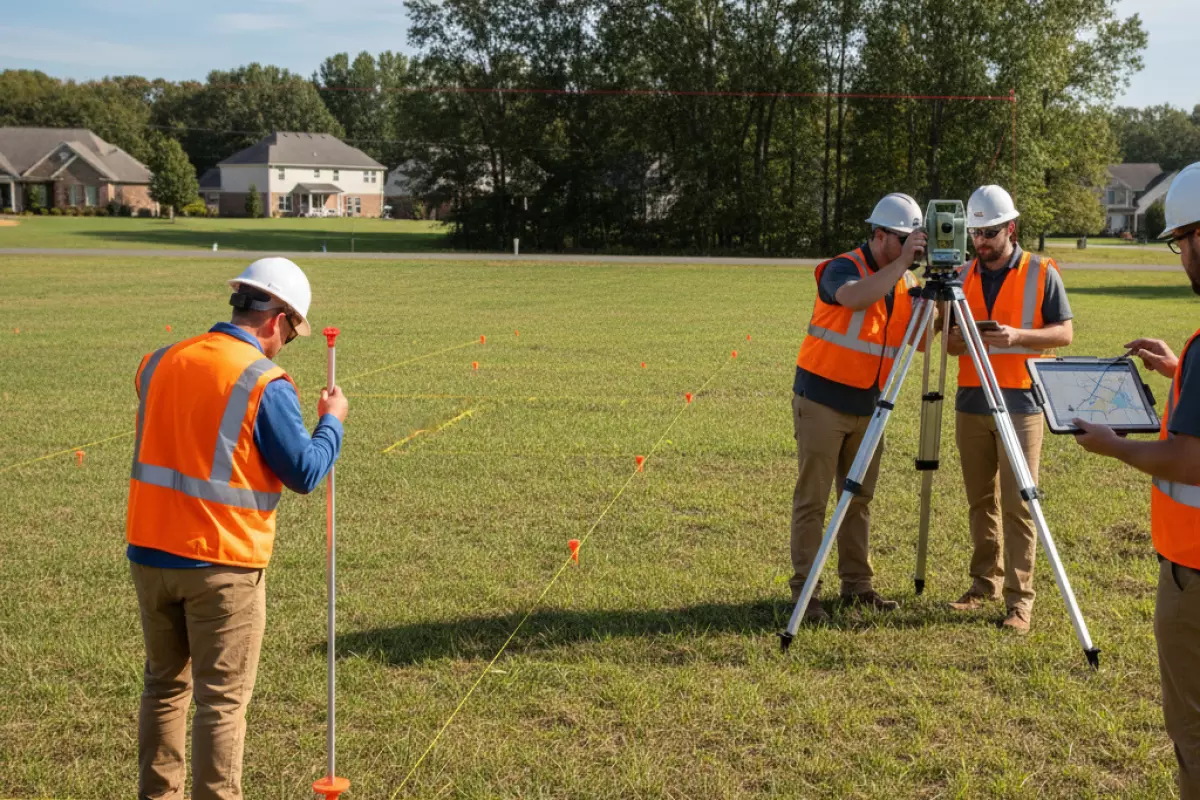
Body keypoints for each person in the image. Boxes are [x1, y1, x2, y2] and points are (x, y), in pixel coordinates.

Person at [125, 257, 349, 800]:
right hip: (222, 563)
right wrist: (332, 422)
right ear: (278, 319)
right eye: (291, 334)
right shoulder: (262, 380)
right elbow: (304, 472)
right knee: (221, 702)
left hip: (149, 552)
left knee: (163, 688)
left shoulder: (159, 361)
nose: (285, 345)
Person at [1074, 161, 1200, 799]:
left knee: (1194, 734)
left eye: (1181, 243)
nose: (1183, 259)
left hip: (1195, 577)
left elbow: (1190, 461)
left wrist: (1115, 447)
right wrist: (1179, 371)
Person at [789, 192, 928, 621]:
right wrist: (902, 265)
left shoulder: (905, 281)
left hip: (871, 406)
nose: (910, 248)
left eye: (914, 241)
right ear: (879, 235)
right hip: (822, 401)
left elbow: (922, 342)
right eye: (903, 240)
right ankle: (806, 593)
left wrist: (937, 304)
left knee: (858, 500)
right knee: (813, 500)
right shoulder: (842, 267)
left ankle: (857, 586)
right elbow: (852, 298)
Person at [944, 185, 1073, 633]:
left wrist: (1018, 337)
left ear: (1011, 229)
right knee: (980, 500)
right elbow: (948, 345)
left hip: (1020, 401)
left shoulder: (1042, 271)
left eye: (989, 232)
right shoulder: (960, 274)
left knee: (1020, 503)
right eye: (975, 233)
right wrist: (960, 339)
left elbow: (1064, 333)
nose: (980, 241)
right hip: (971, 399)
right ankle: (984, 585)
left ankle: (1020, 602)